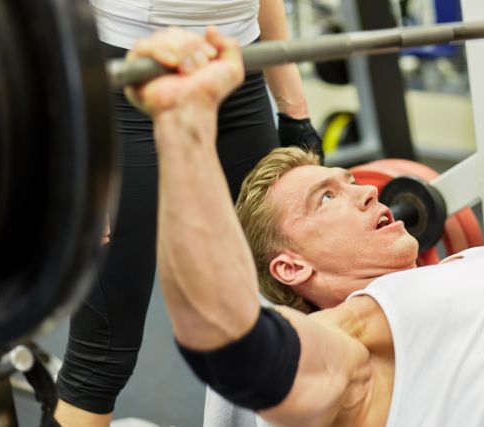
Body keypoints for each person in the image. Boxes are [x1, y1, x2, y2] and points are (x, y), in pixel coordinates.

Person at [129, 1, 484, 425]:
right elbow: (232, 344)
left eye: (351, 180)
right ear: (290, 269)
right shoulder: (353, 348)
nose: (366, 192)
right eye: (326, 197)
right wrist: (183, 129)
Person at [54, 0, 321, 425]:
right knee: (102, 356)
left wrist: (294, 108)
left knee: (301, 304)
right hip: (124, 79)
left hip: (241, 71)